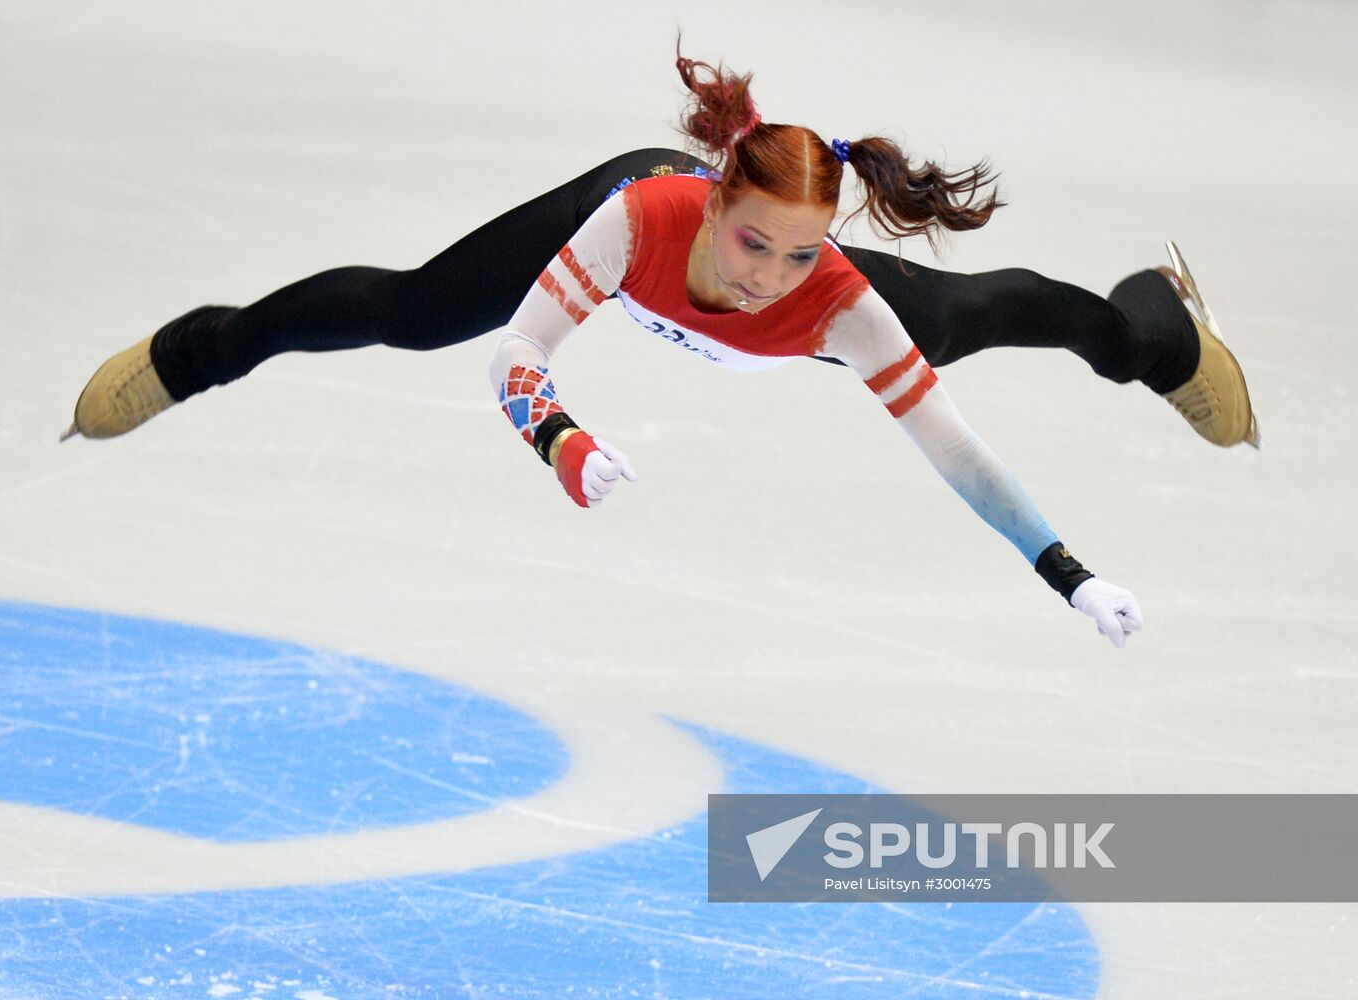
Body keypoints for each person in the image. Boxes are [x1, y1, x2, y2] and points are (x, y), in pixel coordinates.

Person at [61, 53, 1258, 647]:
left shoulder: (835, 305)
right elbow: (516, 354)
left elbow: (961, 458)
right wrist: (560, 439)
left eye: (799, 255)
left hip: (847, 304)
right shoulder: (644, 218)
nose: (765, 277)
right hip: (622, 234)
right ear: (716, 199)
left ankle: (1146, 330)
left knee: (966, 318)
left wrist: (1069, 571)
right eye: (753, 243)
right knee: (417, 308)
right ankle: (198, 352)